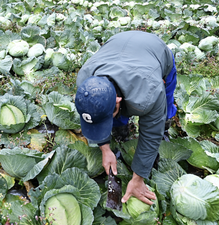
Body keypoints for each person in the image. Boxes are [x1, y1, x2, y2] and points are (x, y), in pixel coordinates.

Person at [74, 31, 177, 206]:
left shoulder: (150, 91)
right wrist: (105, 149)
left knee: (164, 108)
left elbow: (150, 134)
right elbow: (95, 116)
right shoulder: (86, 84)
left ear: (118, 101)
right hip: (117, 44)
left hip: (155, 50)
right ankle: (121, 133)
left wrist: (138, 179)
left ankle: (166, 128)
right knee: (112, 118)